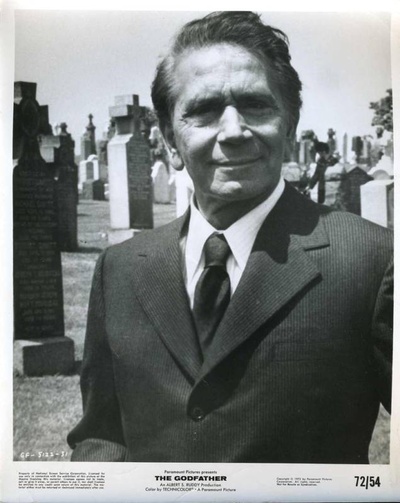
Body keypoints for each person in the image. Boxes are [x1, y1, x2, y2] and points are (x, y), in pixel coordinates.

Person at [68, 11, 393, 464]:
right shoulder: (119, 270)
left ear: (289, 125)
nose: (234, 131)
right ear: (170, 141)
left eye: (255, 105)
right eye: (204, 111)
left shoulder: (371, 261)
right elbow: (103, 436)